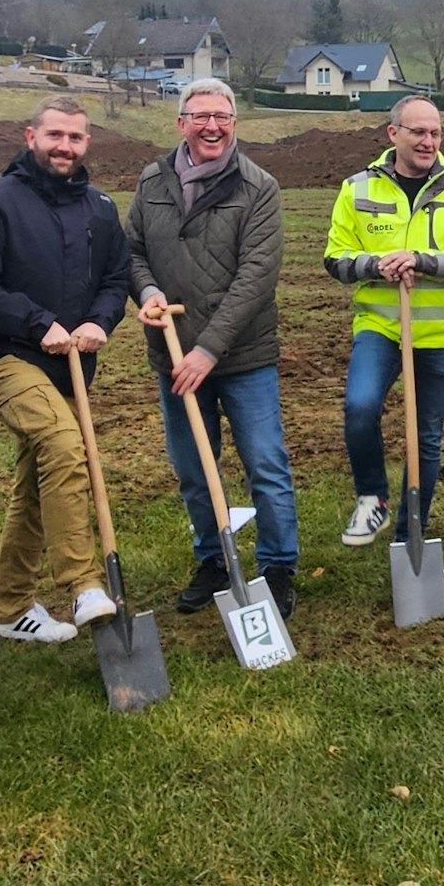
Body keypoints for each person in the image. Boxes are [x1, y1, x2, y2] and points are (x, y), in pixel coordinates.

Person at [0, 96, 130, 643]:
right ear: (30, 136)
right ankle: (83, 584)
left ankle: (10, 609)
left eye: (75, 138)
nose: (64, 146)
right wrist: (37, 323)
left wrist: (100, 321)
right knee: (64, 446)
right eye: (54, 136)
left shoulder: (99, 207)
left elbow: (116, 279)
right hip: (6, 358)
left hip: (70, 365)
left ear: (86, 143)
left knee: (38, 482)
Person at [126, 79, 301, 618]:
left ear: (234, 124)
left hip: (241, 355)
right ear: (180, 124)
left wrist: (209, 350)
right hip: (174, 354)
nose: (212, 126)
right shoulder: (152, 181)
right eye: (200, 116)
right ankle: (214, 559)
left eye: (222, 116)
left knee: (265, 463)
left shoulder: (258, 187)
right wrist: (149, 290)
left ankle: (277, 566)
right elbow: (130, 250)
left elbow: (256, 276)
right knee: (193, 467)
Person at [324, 95, 444, 546]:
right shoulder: (357, 188)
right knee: (360, 409)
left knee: (427, 437)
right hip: (379, 328)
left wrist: (421, 260)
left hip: (440, 333)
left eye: (436, 132)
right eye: (418, 132)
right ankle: (373, 499)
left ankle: (409, 531)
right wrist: (376, 264)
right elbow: (335, 259)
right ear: (393, 133)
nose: (428, 141)